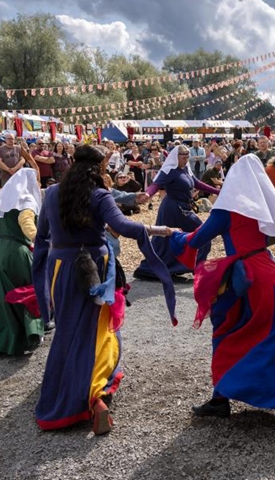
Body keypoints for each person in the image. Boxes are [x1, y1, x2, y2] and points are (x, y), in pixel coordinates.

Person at [169, 154, 275, 426]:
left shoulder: (226, 210)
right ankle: (223, 398)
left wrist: (175, 235)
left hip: (245, 280)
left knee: (228, 334)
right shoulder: (267, 205)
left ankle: (225, 399)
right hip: (270, 277)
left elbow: (197, 239)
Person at [32, 145, 178, 436]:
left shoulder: (52, 193)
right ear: (99, 168)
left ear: (72, 162)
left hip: (61, 266)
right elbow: (123, 226)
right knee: (97, 330)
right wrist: (156, 231)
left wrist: (41, 279)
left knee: (67, 328)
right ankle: (94, 396)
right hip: (96, 265)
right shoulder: (100, 194)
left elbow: (41, 238)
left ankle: (68, 388)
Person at [0, 169, 45, 362]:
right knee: (25, 294)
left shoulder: (7, 200)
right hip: (14, 252)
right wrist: (39, 240)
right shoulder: (27, 201)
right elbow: (26, 222)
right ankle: (23, 336)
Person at [134, 145, 220, 280]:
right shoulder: (169, 170)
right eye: (183, 157)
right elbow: (156, 184)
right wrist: (147, 194)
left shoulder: (186, 169)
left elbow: (197, 183)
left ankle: (192, 266)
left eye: (187, 157)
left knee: (195, 236)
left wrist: (218, 191)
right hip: (172, 209)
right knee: (174, 239)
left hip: (183, 208)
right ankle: (158, 268)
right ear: (176, 157)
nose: (186, 160)